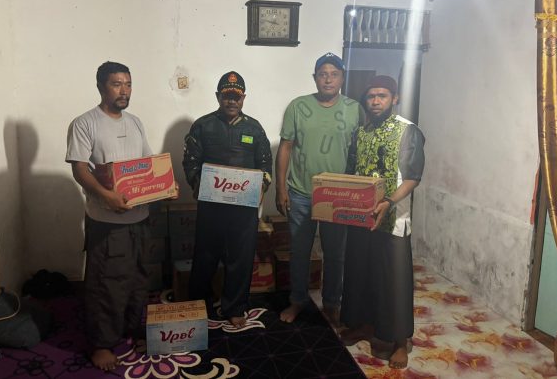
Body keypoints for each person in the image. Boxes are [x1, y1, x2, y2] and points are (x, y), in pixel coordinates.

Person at [66, 61, 177, 371]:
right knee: (106, 283)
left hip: (139, 219)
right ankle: (101, 344)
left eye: (128, 84)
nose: (124, 90)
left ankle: (129, 327)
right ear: (101, 86)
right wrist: (106, 196)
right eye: (117, 84)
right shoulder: (85, 123)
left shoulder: (135, 122)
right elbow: (79, 169)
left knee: (138, 278)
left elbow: (148, 165)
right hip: (107, 222)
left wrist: (167, 186)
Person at [339, 75, 425, 370]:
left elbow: (412, 177)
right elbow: (351, 172)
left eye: (382, 96)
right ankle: (363, 325)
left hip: (393, 220)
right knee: (361, 273)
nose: (375, 101)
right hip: (361, 217)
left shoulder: (407, 131)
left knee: (394, 281)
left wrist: (388, 201)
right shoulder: (361, 132)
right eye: (371, 96)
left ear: (394, 99)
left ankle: (400, 341)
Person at [276, 52, 365, 324]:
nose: (328, 79)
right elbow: (285, 147)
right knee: (299, 252)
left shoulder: (355, 109)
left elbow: (362, 150)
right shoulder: (297, 106)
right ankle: (297, 301)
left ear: (342, 78)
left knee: (335, 254)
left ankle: (332, 304)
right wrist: (280, 188)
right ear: (315, 78)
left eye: (334, 74)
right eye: (323, 74)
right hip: (301, 192)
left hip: (337, 194)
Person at [182, 71, 272, 329]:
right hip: (211, 206)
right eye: (226, 96)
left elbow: (265, 165)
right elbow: (190, 162)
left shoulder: (254, 128)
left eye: (236, 96)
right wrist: (198, 184)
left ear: (243, 98)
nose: (231, 101)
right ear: (218, 97)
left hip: (243, 209)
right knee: (205, 256)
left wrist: (261, 188)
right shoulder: (202, 126)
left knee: (240, 258)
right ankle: (199, 304)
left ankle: (235, 307)